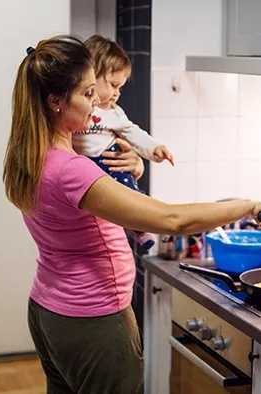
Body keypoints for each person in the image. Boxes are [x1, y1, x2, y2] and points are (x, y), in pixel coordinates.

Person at [3, 35, 261, 394]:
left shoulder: (30, 156)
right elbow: (171, 219)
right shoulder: (71, 170)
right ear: (56, 101)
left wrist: (135, 164)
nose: (96, 108)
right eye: (87, 94)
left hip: (48, 308)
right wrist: (247, 205)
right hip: (93, 317)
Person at [73, 34, 174, 253]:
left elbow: (133, 133)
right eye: (112, 85)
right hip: (86, 168)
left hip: (107, 161)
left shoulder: (114, 114)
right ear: (90, 75)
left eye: (120, 87)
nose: (117, 93)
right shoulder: (77, 110)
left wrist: (152, 150)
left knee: (130, 190)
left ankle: (140, 228)